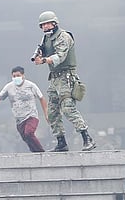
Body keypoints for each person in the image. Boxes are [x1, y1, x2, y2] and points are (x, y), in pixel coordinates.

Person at [33, 10, 96, 152]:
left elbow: (60, 56)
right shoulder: (46, 39)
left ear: (54, 23)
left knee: (68, 109)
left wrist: (44, 60)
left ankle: (87, 138)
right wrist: (41, 55)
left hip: (66, 78)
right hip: (54, 79)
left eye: (47, 24)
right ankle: (61, 142)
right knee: (52, 111)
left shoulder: (64, 37)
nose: (45, 27)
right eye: (42, 25)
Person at [0, 66, 48, 152]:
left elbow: (41, 98)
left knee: (29, 132)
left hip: (31, 115)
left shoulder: (31, 85)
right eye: (14, 76)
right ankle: (35, 152)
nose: (16, 78)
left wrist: (46, 114)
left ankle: (41, 151)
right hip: (19, 119)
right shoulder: (9, 87)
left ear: (23, 76)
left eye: (18, 75)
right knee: (25, 138)